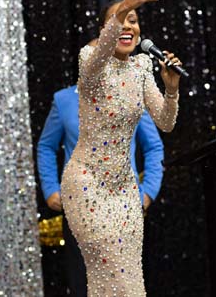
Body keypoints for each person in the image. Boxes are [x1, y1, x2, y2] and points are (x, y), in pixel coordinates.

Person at [61, 0, 182, 296]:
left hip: (125, 190)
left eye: (133, 20)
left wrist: (171, 89)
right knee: (115, 274)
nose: (128, 26)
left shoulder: (141, 67)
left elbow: (165, 122)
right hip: (87, 185)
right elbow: (98, 56)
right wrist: (125, 6)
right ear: (105, 30)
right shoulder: (90, 60)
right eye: (120, 19)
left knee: (123, 280)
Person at [37, 82, 165, 296]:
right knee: (83, 285)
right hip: (80, 211)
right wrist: (50, 188)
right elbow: (46, 146)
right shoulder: (64, 99)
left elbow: (154, 146)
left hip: (123, 210)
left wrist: (148, 192)